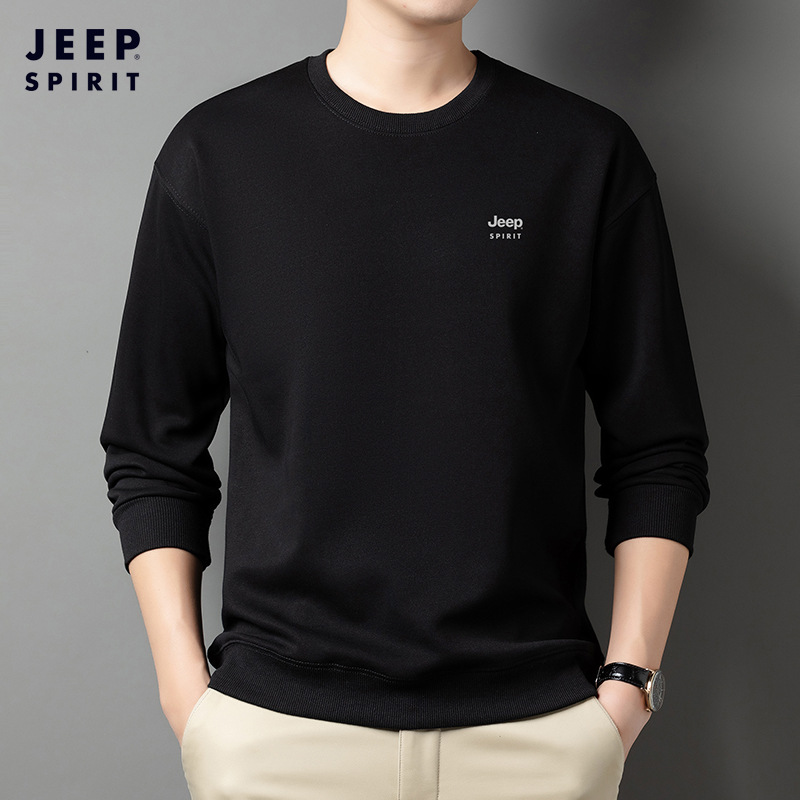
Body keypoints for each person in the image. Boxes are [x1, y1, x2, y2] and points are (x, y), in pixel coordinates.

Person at [99, 1, 711, 798]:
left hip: (536, 739)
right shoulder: (220, 150)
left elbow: (658, 448)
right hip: (278, 739)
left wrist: (628, 685)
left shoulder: (585, 153)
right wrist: (188, 697)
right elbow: (151, 449)